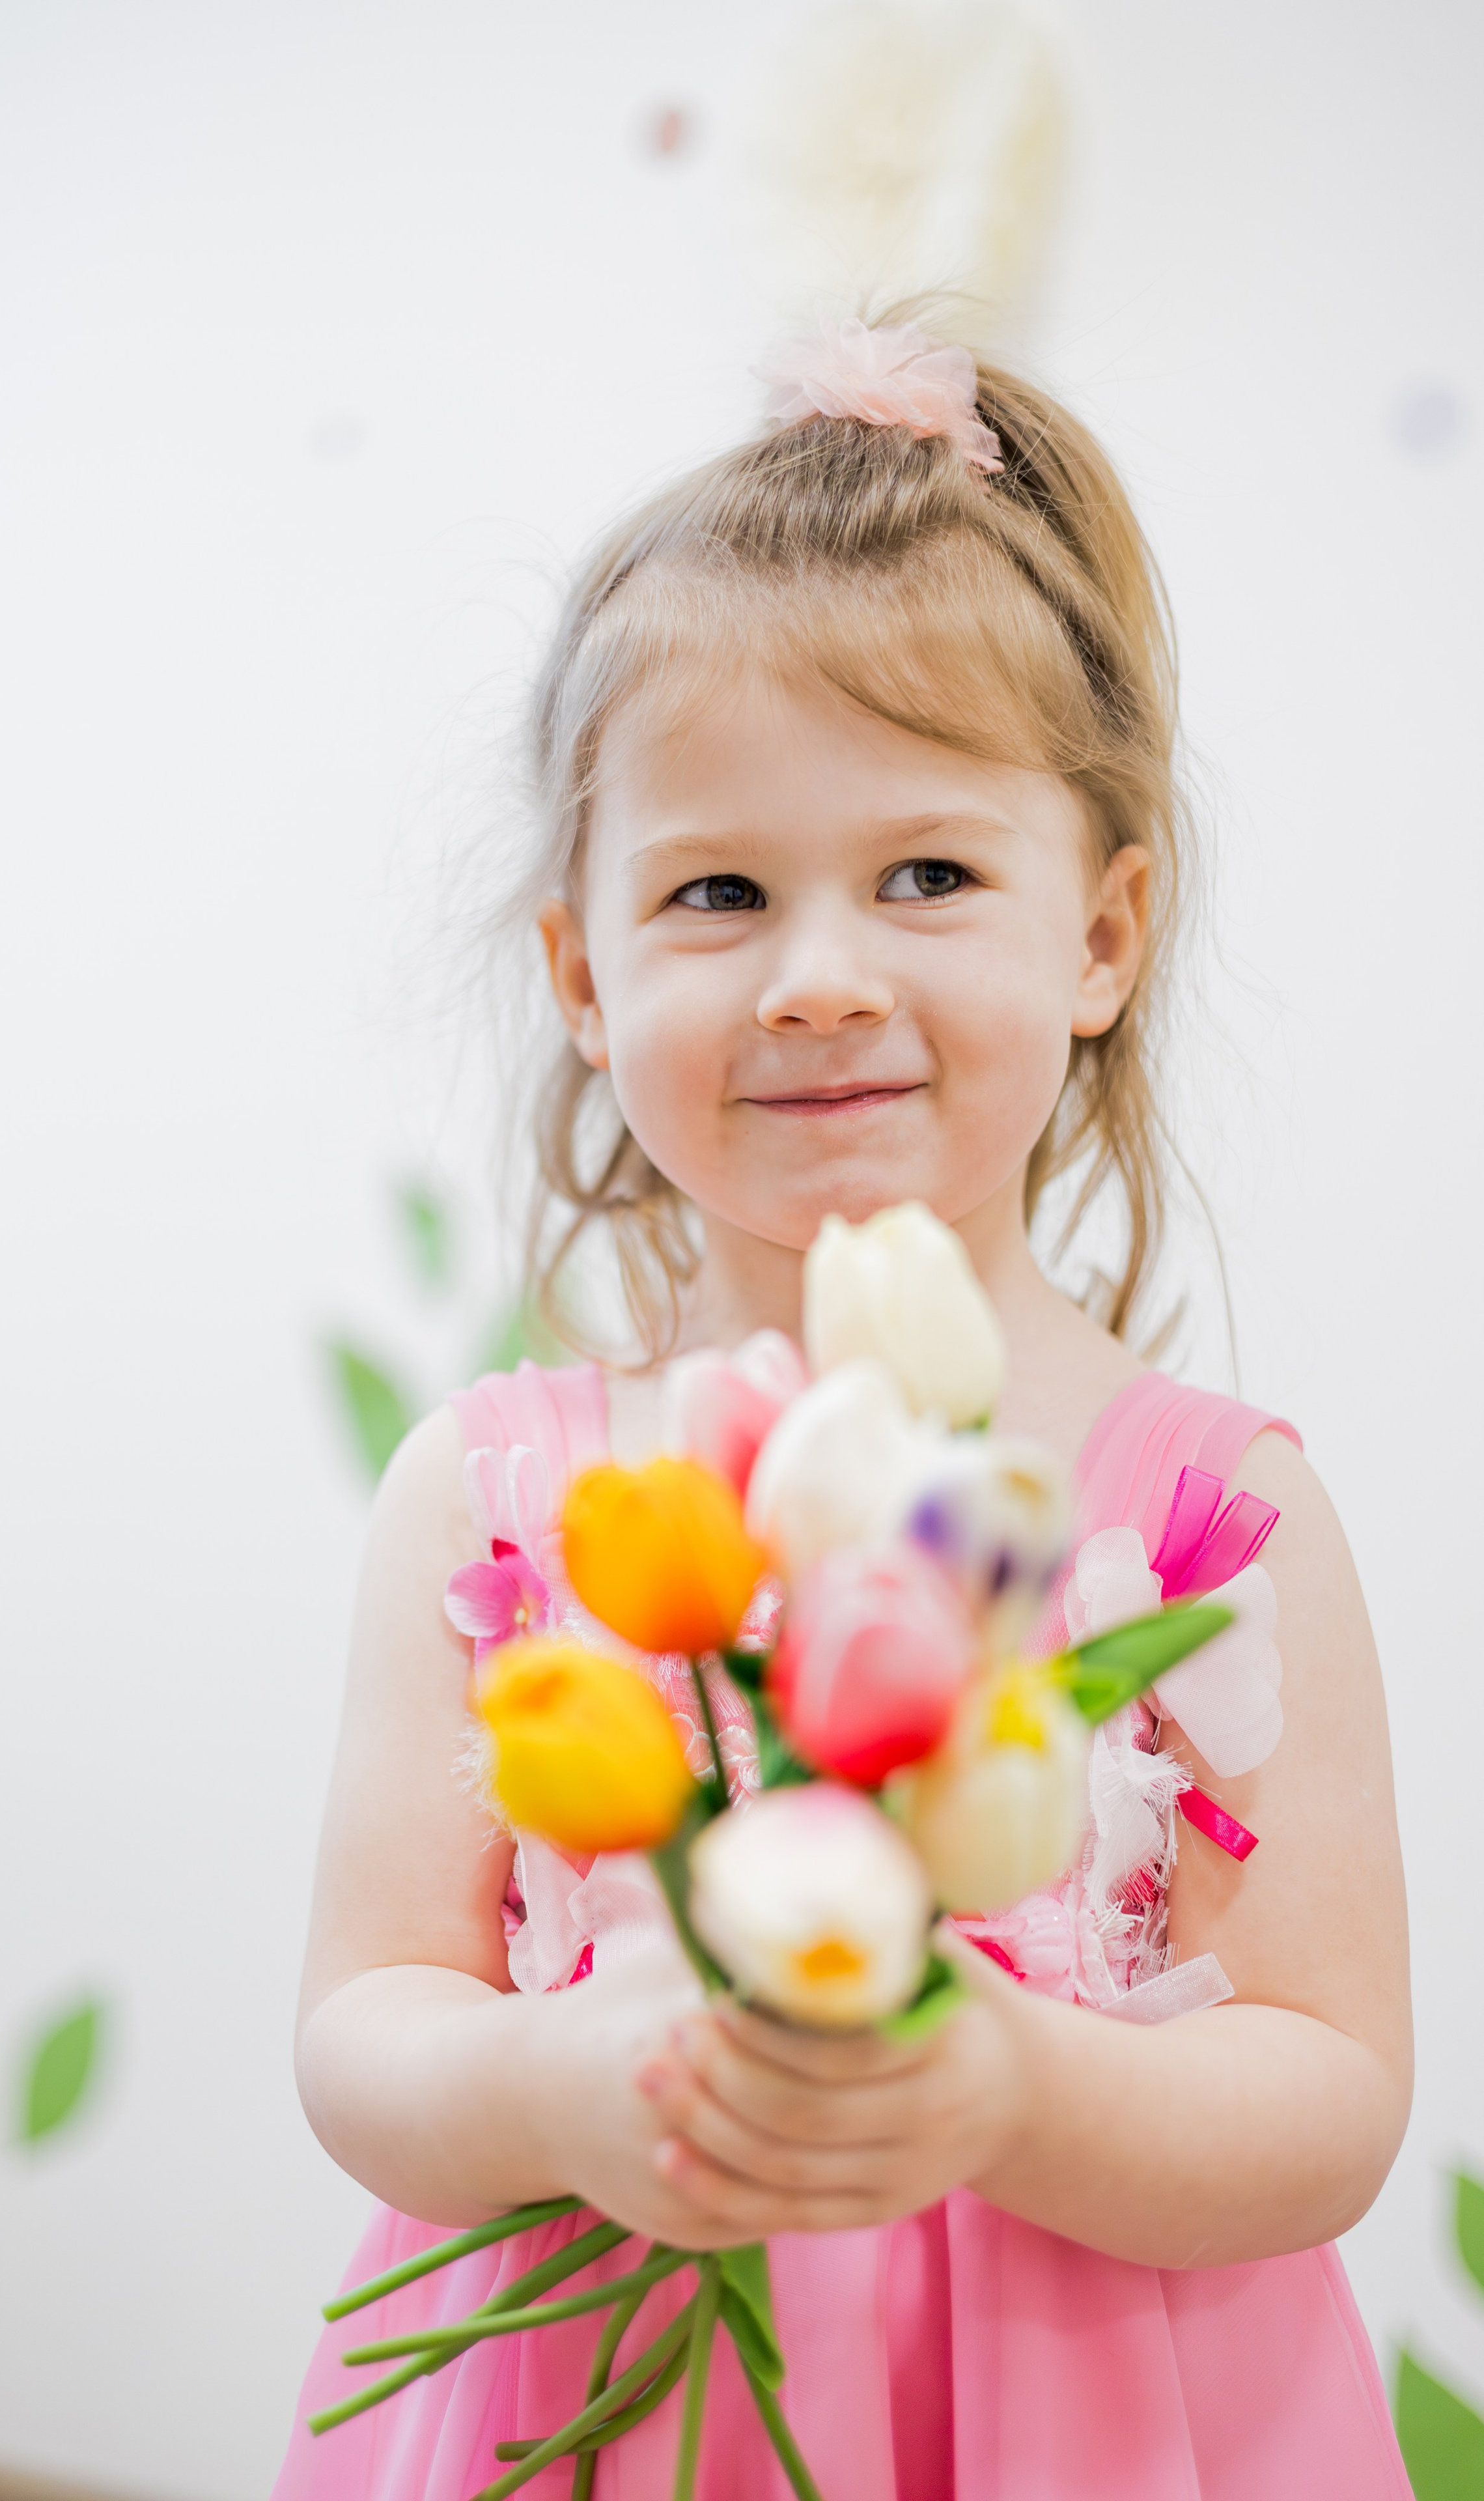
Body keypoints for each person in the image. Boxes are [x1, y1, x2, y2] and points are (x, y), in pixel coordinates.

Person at [272, 315, 1414, 2499]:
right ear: (588, 978)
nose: (819, 969)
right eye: (718, 891)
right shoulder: (501, 1504)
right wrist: (547, 2089)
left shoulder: (1215, 1530)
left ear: (1103, 936)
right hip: (610, 2415)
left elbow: (1334, 2089)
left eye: (928, 876)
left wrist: (1017, 2093)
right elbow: (364, 2022)